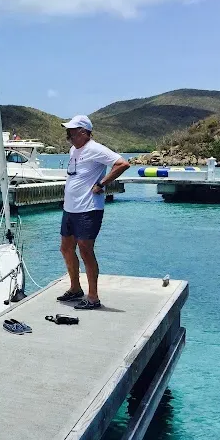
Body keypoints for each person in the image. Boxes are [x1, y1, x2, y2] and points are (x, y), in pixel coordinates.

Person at [57, 115, 130, 310]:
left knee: (86, 251)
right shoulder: (74, 149)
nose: (68, 135)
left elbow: (122, 163)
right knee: (65, 247)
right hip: (70, 208)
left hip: (89, 208)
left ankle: (93, 297)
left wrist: (101, 183)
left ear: (83, 132)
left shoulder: (95, 148)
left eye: (72, 131)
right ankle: (75, 289)